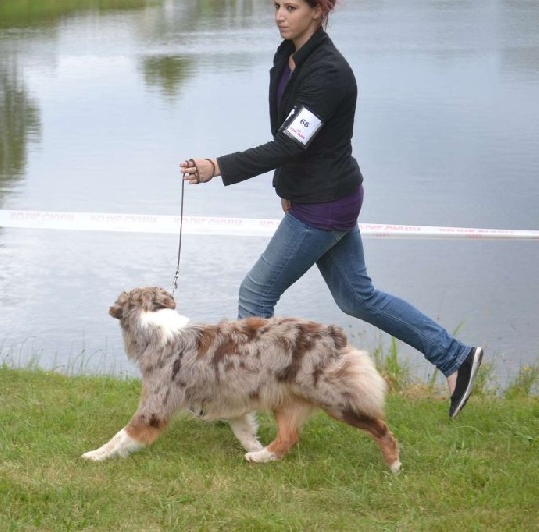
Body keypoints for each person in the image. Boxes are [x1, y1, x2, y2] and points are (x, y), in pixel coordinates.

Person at [179, 0, 483, 418]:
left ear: (319, 10)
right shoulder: (287, 56)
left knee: (256, 292)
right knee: (358, 298)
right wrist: (286, 185)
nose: (279, 15)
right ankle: (456, 358)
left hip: (324, 206)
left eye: (290, 6)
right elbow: (288, 135)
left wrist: (218, 167)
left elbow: (290, 143)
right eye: (276, 5)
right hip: (320, 195)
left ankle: (238, 399)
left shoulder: (329, 72)